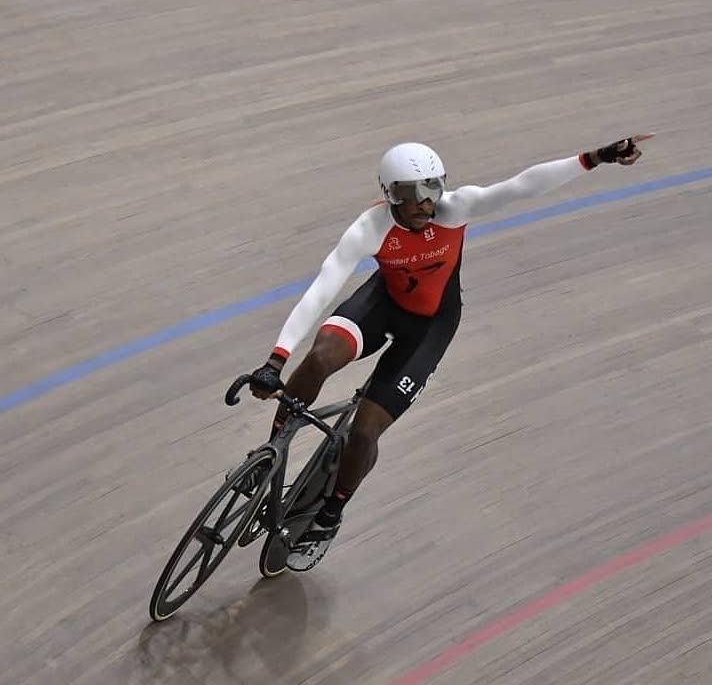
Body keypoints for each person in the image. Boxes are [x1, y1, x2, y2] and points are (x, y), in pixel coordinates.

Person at [247, 133, 654, 570]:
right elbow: (322, 288)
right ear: (389, 195)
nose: (426, 202)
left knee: (365, 432)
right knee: (321, 356)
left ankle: (329, 516)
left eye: (433, 187)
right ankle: (272, 453)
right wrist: (276, 360)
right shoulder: (371, 228)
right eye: (413, 193)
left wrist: (595, 158)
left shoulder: (455, 209)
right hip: (383, 303)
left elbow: (522, 185)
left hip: (430, 327)